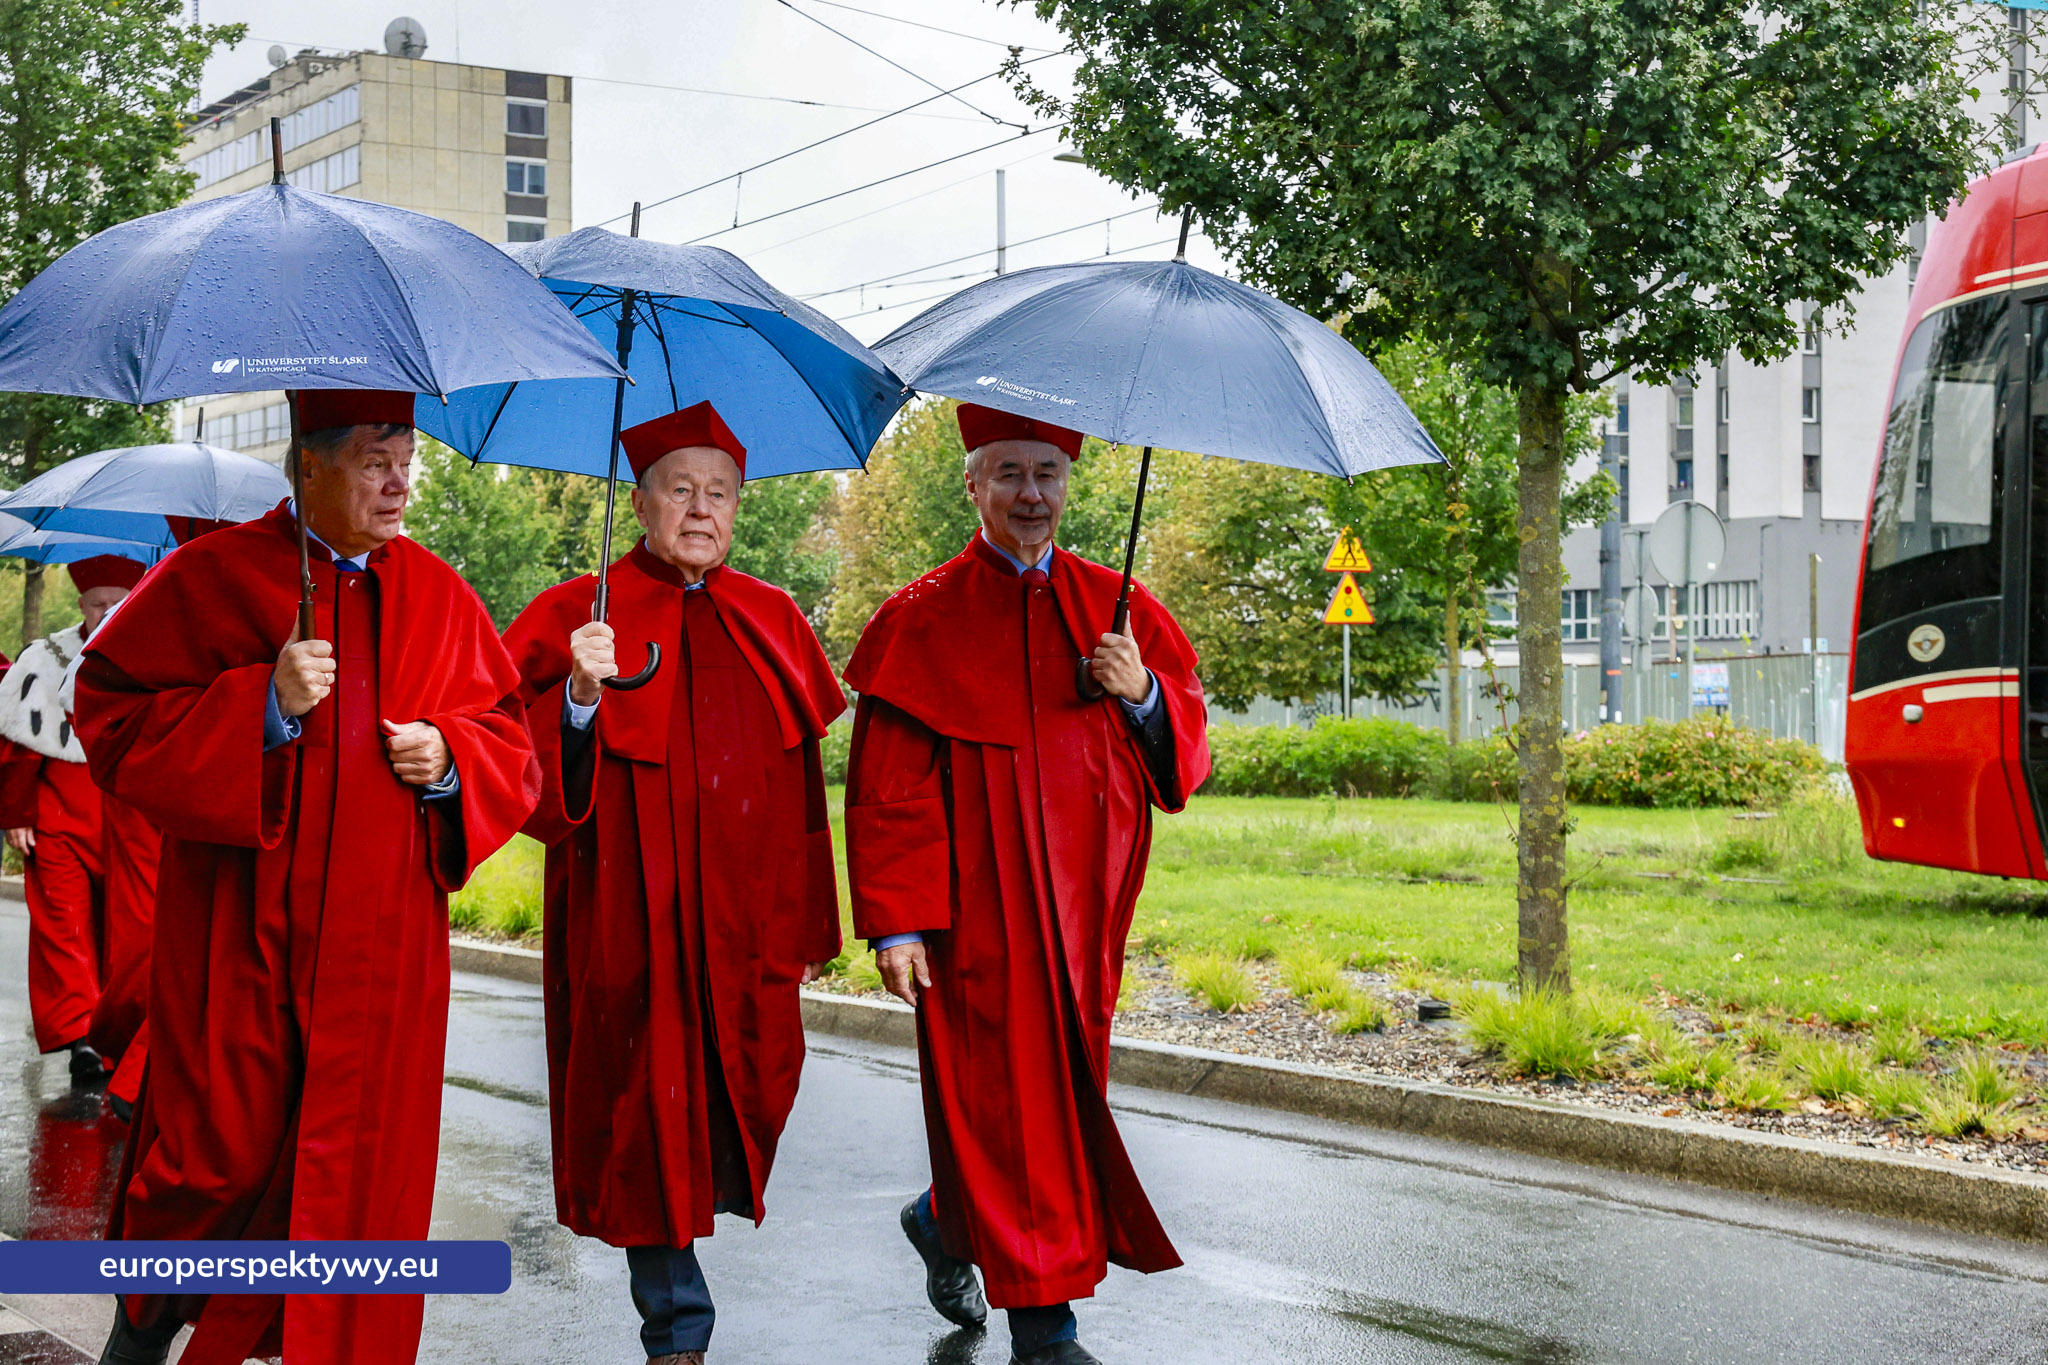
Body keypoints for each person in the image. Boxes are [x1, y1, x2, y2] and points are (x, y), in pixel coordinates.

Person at [73, 389, 540, 1365]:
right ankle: (143, 1328)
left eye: (406, 456)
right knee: (215, 1156)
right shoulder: (213, 576)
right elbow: (111, 717)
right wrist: (263, 707)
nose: (399, 479)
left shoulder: (443, 595)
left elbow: (511, 747)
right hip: (240, 939)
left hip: (382, 960)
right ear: (309, 467)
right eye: (374, 458)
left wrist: (449, 757)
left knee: (360, 1176)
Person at [842, 403, 1211, 1365]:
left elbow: (1182, 760)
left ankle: (941, 1214)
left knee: (1055, 1098)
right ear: (972, 486)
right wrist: (897, 925)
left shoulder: (1119, 611)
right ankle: (1047, 1334)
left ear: (1069, 481)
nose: (1031, 494)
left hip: (1086, 916)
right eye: (1008, 473)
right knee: (1002, 1099)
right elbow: (889, 789)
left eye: (1047, 471)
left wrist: (1142, 695)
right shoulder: (919, 620)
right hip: (974, 918)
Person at [502, 401, 845, 1365]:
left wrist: (808, 928)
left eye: (720, 492)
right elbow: (517, 779)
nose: (701, 509)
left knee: (748, 1089)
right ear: (641, 502)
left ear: (740, 508)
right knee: (644, 1109)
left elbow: (805, 800)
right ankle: (676, 1322)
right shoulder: (581, 617)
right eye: (680, 490)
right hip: (630, 917)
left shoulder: (773, 617)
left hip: (747, 922)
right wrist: (575, 696)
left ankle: (687, 1272)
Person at [0, 554, 144, 1083]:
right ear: (82, 604)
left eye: (118, 601)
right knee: (64, 928)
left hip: (130, 817)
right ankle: (80, 1035)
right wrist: (16, 814)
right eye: (99, 602)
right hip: (59, 815)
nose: (108, 611)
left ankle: (120, 1036)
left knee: (131, 931)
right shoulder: (44, 658)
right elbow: (18, 742)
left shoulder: (153, 647)